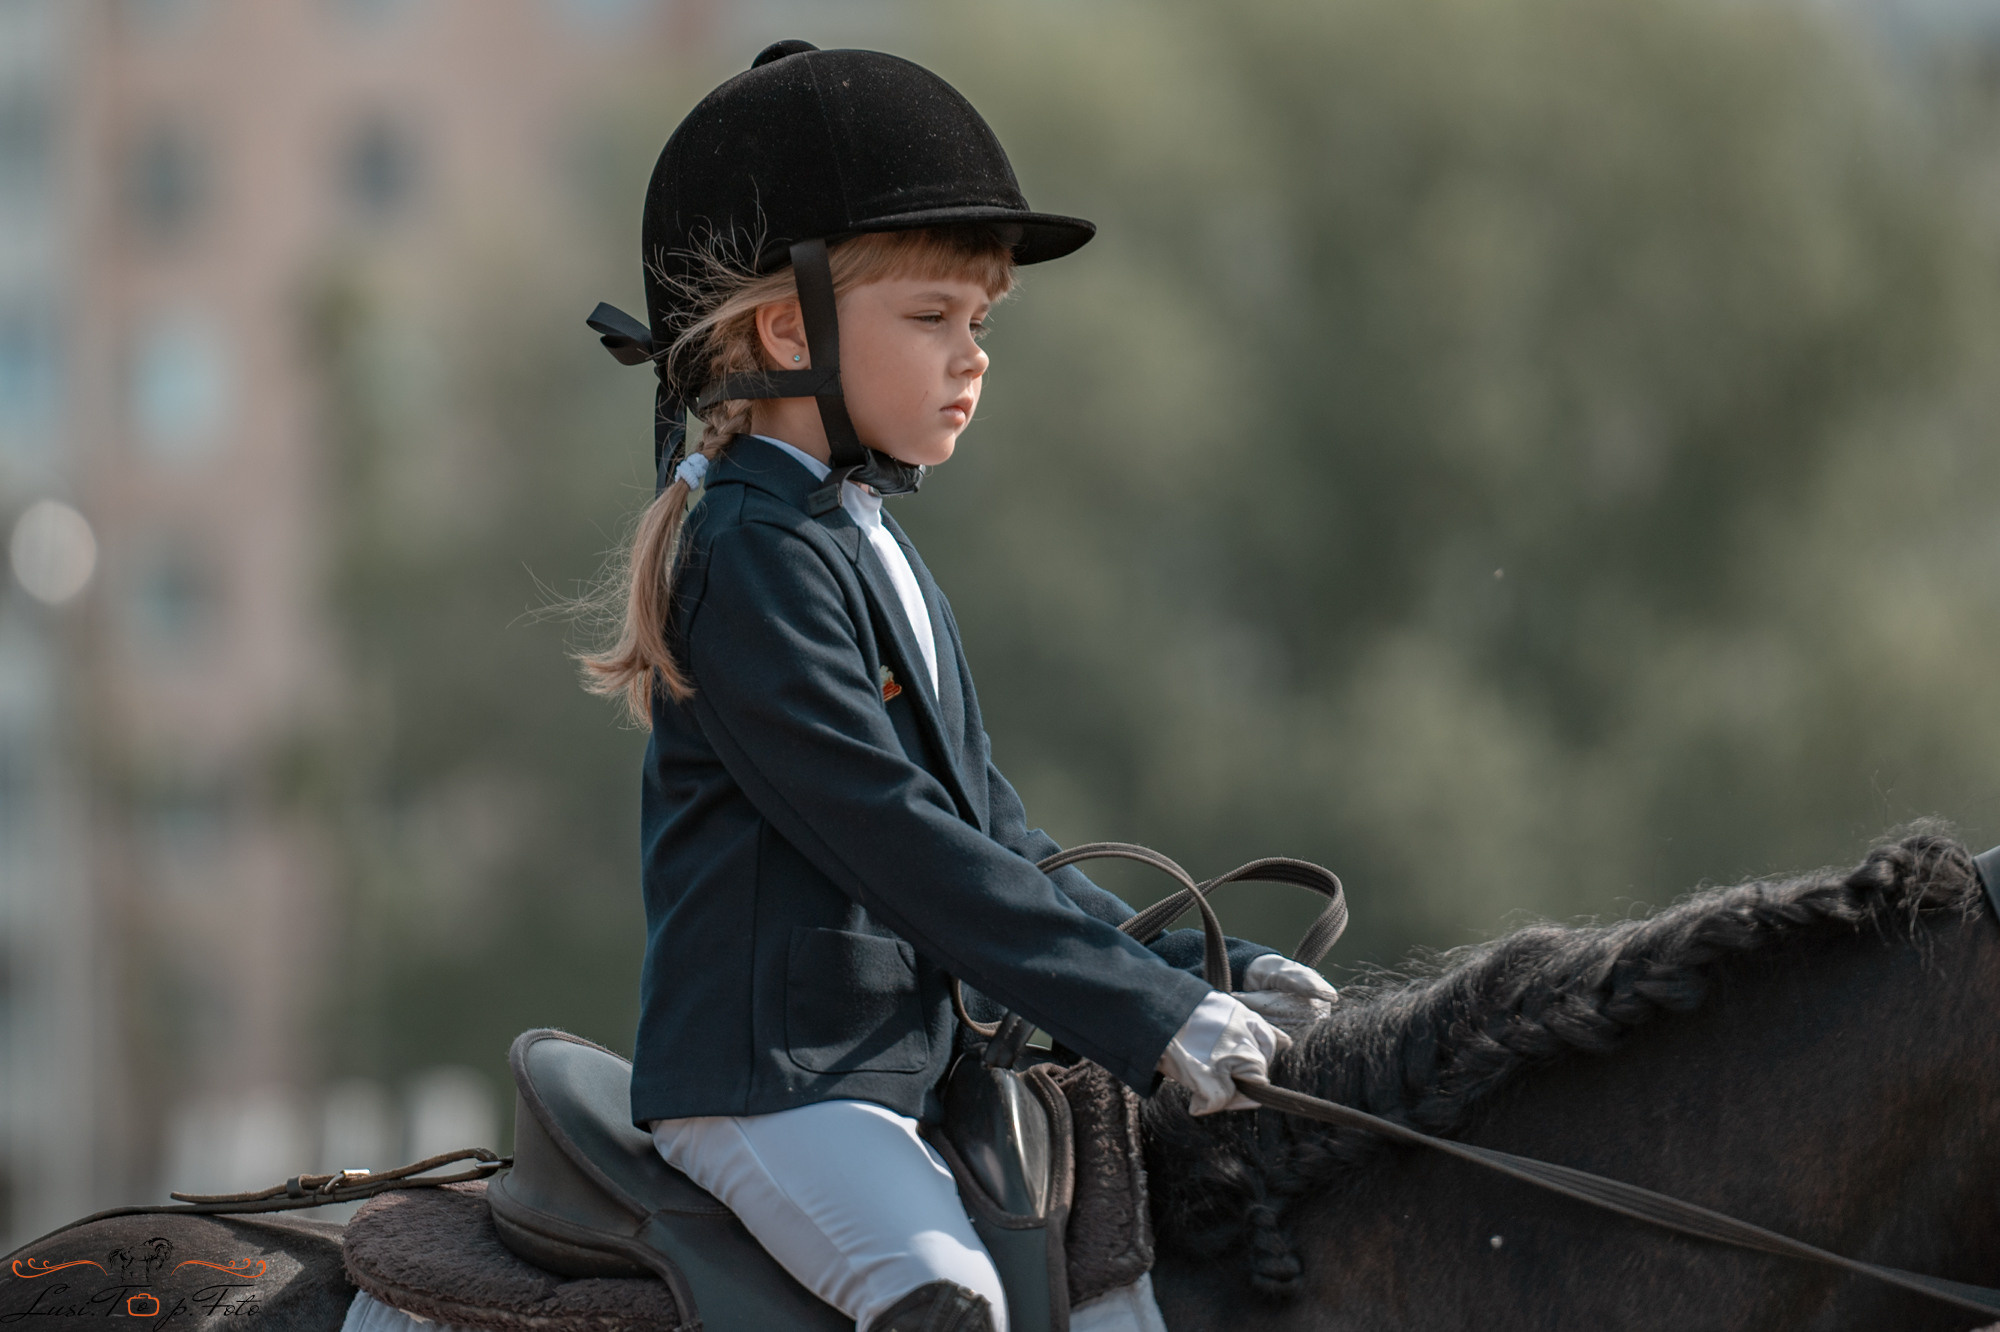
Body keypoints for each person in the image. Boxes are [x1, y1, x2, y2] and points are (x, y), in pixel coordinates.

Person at [580, 41, 1338, 1332]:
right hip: (775, 1089)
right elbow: (901, 846)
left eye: (979, 325)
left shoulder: (866, 543)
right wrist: (1148, 1017)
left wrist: (1196, 966)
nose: (971, 358)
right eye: (931, 318)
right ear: (785, 326)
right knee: (944, 1296)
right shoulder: (749, 558)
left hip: (896, 1078)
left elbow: (998, 837)